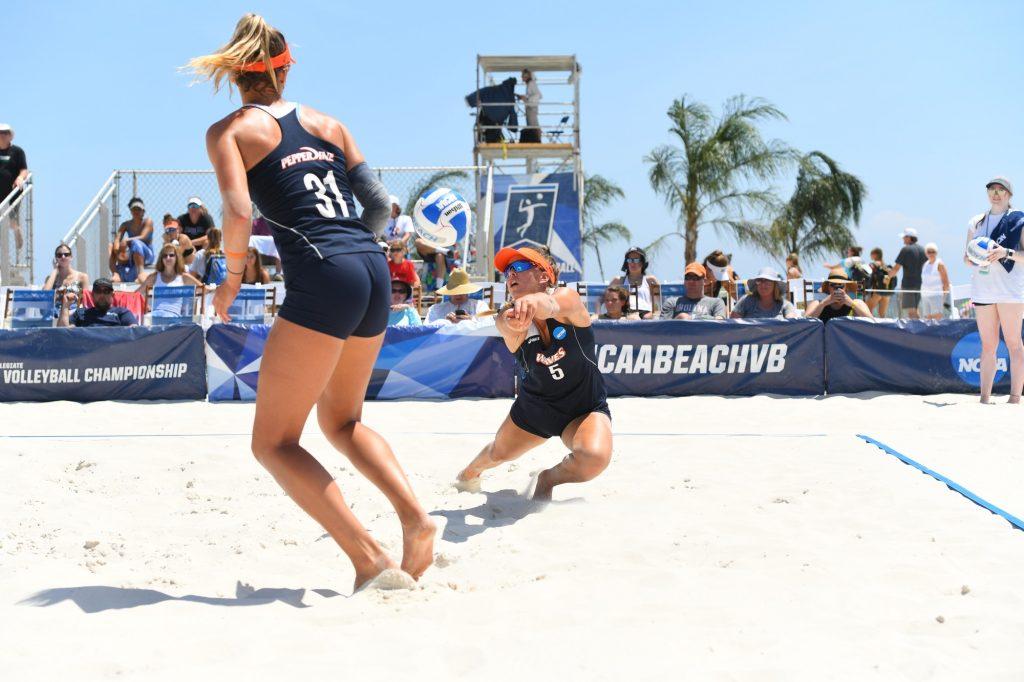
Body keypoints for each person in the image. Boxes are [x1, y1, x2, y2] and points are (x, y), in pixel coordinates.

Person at [190, 13, 434, 589]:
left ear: (234, 73)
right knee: (343, 421)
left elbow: (238, 212)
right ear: (286, 67)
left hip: (324, 274)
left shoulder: (228, 132)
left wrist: (228, 279)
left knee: (273, 443)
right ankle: (417, 519)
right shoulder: (330, 124)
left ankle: (369, 557)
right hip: (372, 267)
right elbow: (377, 209)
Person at [455, 246, 612, 501]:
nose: (509, 276)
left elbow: (549, 304)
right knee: (497, 454)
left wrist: (532, 302)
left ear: (543, 276)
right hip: (535, 409)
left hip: (583, 409)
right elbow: (506, 325)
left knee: (593, 459)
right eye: (506, 272)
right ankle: (468, 474)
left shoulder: (567, 299)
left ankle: (548, 478)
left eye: (518, 267)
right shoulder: (509, 316)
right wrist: (512, 320)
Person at [965, 176, 1024, 404]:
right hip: (983, 289)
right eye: (992, 189)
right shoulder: (976, 222)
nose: (996, 193)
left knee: (1013, 343)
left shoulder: (1019, 219)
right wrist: (974, 259)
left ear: (1009, 194)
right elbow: (966, 257)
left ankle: (1015, 398)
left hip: (1010, 290)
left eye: (1001, 190)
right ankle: (984, 398)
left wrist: (1005, 253)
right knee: (988, 345)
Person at [143, 243, 203, 317]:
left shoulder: (184, 277)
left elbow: (203, 289)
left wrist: (214, 288)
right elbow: (137, 293)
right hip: (156, 315)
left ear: (176, 258)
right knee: (146, 318)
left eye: (171, 255)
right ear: (161, 259)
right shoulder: (154, 277)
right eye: (165, 256)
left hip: (174, 317)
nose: (168, 258)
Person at [57, 278, 137, 328]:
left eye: (106, 291)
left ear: (112, 295)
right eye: (98, 291)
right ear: (92, 295)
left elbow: (135, 332)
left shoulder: (122, 313)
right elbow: (62, 334)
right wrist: (65, 306)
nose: (102, 295)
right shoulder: (81, 313)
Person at [659, 263, 727, 320]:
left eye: (696, 278)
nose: (691, 281)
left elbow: (720, 323)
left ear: (705, 281)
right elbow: (662, 329)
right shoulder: (672, 303)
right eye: (688, 278)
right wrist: (680, 319)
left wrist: (692, 318)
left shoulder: (716, 303)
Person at [0, 123, 29, 257]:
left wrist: (20, 178)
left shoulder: (17, 152)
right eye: (0, 132)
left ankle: (17, 230)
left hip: (12, 193)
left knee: (11, 221)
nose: (2, 135)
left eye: (5, 133)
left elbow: (24, 169)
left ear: (10, 136)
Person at [805, 269, 873, 322]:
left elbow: (872, 322)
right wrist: (823, 304)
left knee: (858, 303)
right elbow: (804, 322)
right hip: (826, 339)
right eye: (833, 285)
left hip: (847, 339)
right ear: (828, 288)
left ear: (846, 288)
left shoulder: (856, 303)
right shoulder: (817, 303)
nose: (837, 289)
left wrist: (852, 304)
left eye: (841, 285)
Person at [609, 246, 658, 319]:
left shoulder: (650, 280)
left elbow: (659, 302)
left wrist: (653, 314)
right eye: (630, 260)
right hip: (624, 315)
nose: (632, 263)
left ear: (642, 263)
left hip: (646, 315)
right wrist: (598, 312)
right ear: (626, 263)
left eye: (636, 260)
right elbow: (602, 299)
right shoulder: (618, 281)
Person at [731, 267, 799, 319]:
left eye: (767, 281)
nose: (763, 285)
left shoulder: (785, 305)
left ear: (775, 285)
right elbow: (732, 325)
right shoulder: (746, 301)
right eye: (759, 281)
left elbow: (792, 325)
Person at [888, 228, 927, 319]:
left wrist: (888, 277)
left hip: (908, 284)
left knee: (911, 312)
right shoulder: (923, 250)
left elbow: (896, 268)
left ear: (909, 238)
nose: (903, 239)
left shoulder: (906, 250)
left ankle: (917, 332)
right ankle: (920, 330)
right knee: (915, 310)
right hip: (920, 284)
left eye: (904, 237)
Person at [113, 197, 155, 274]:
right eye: (134, 209)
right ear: (131, 211)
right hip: (133, 254)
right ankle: (115, 273)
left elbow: (143, 237)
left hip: (148, 255)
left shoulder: (148, 221)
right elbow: (117, 238)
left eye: (139, 209)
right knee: (110, 246)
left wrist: (126, 240)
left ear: (143, 211)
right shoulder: (125, 224)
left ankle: (140, 273)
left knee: (136, 242)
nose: (136, 211)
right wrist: (117, 249)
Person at [919, 243, 950, 320]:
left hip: (937, 295)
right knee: (927, 320)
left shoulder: (940, 264)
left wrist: (944, 298)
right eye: (929, 252)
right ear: (926, 253)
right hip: (925, 295)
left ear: (936, 253)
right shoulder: (925, 265)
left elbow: (946, 282)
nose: (931, 254)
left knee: (936, 320)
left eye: (933, 251)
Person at [866, 247, 896, 318]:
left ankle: (869, 327)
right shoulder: (886, 266)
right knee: (882, 315)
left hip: (877, 291)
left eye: (871, 254)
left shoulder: (875, 264)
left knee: (868, 310)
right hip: (887, 292)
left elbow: (868, 273)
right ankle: (883, 328)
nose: (870, 256)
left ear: (875, 255)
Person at [516, 68, 542, 143]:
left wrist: (526, 99)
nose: (521, 77)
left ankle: (537, 141)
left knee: (533, 125)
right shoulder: (529, 84)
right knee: (532, 125)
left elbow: (538, 95)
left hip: (531, 108)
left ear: (527, 75)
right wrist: (524, 98)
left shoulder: (531, 84)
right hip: (530, 107)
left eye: (522, 76)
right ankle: (535, 140)